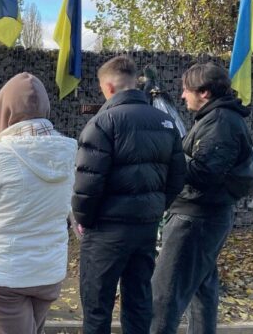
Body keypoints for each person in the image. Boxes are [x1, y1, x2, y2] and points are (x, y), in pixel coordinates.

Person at [73, 56, 186, 334]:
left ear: (109, 88)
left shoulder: (102, 124)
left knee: (97, 308)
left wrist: (83, 220)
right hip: (145, 229)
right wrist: (156, 208)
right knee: (138, 304)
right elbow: (177, 177)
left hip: (105, 231)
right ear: (135, 82)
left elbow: (88, 184)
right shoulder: (166, 123)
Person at [0, 72, 77, 334]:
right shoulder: (67, 151)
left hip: (6, 271)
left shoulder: (0, 153)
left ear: (4, 110)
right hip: (49, 271)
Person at [151, 63, 253, 334]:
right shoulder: (219, 118)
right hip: (206, 216)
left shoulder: (220, 122)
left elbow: (204, 173)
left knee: (164, 296)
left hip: (195, 220)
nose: (183, 96)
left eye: (186, 90)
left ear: (205, 92)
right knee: (201, 289)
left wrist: (169, 152)